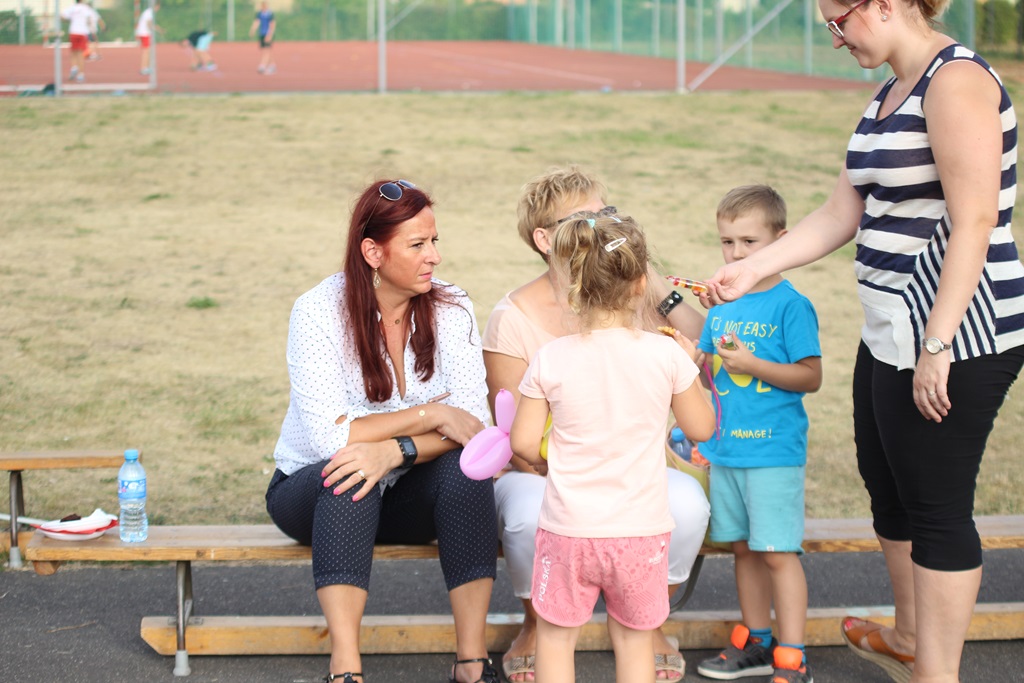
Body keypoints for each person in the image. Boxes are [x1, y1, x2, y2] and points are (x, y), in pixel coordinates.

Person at [704, 2, 1024, 681]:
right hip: (889, 329)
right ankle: (909, 634)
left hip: (956, 332)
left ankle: (937, 671)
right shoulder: (888, 93)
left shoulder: (956, 82)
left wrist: (937, 346)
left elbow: (975, 220)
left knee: (936, 505)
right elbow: (839, 212)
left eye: (838, 19)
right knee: (889, 488)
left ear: (885, 3)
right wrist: (752, 268)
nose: (835, 35)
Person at [265, 179, 501, 683]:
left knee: (468, 473)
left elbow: (472, 425)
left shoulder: (451, 306)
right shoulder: (317, 311)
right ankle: (346, 669)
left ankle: (472, 665)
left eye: (435, 241)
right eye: (418, 245)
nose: (434, 257)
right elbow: (334, 438)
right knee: (348, 470)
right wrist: (429, 416)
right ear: (373, 251)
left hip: (413, 490)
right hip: (311, 493)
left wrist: (396, 451)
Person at [482, 166, 710, 682]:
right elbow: (700, 429)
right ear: (637, 282)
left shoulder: (554, 358)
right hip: (638, 526)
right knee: (632, 642)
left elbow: (521, 440)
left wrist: (561, 459)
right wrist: (690, 371)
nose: (600, 225)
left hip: (570, 526)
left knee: (559, 641)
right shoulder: (665, 353)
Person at [693, 185, 822, 683]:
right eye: (727, 242)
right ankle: (757, 641)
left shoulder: (792, 306)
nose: (737, 253)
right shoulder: (722, 307)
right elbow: (711, 378)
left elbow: (810, 377)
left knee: (776, 552)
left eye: (749, 241)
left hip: (772, 452)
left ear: (781, 240)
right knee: (742, 549)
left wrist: (753, 364)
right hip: (726, 451)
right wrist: (697, 363)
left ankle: (793, 655)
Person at [60, 0, 92, 82]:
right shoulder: (86, 8)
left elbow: (62, 16)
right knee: (81, 54)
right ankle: (80, 75)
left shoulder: (72, 8)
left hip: (73, 31)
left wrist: (70, 20)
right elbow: (89, 20)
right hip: (82, 32)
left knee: (73, 52)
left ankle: (74, 67)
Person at [135, 2, 163, 76]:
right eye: (158, 7)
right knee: (146, 51)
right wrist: (157, 30)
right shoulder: (149, 12)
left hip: (143, 33)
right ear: (157, 6)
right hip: (144, 33)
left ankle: (146, 67)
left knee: (147, 51)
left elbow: (149, 24)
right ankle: (143, 68)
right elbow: (149, 24)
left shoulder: (148, 12)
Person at [249, 1, 276, 74]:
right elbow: (257, 22)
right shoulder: (259, 13)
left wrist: (270, 34)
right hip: (262, 33)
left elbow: (272, 24)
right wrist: (252, 30)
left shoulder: (270, 14)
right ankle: (273, 65)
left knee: (266, 50)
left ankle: (262, 65)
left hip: (268, 34)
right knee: (266, 50)